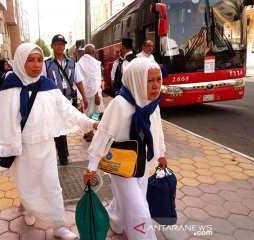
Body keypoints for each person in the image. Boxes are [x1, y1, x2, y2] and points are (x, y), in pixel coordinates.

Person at [0, 43, 98, 240]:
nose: (36, 65)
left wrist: (91, 124)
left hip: (46, 147)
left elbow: (69, 112)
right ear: (20, 61)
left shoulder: (48, 87)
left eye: (39, 60)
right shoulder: (10, 88)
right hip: (23, 149)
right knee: (27, 187)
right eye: (31, 60)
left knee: (52, 185)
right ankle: (29, 209)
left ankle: (58, 225)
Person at [83, 58, 168, 239]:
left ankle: (116, 220)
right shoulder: (120, 104)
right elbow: (103, 135)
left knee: (134, 199)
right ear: (136, 80)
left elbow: (157, 130)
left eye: (158, 79)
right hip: (121, 166)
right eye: (149, 80)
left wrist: (161, 154)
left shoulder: (152, 104)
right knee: (139, 208)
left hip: (141, 164)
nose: (155, 86)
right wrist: (91, 167)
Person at [42, 34, 89, 165]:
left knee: (65, 126)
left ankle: (64, 153)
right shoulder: (46, 64)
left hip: (68, 101)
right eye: (57, 44)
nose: (59, 46)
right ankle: (63, 156)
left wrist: (84, 97)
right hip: (53, 102)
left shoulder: (72, 62)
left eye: (62, 44)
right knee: (58, 127)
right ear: (51, 46)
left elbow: (78, 80)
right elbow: (41, 83)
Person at [75, 44, 104, 142]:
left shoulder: (79, 63)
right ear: (94, 52)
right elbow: (94, 81)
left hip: (84, 94)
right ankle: (91, 133)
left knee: (86, 113)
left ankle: (88, 132)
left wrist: (82, 96)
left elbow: (78, 80)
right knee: (94, 113)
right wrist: (96, 95)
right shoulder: (95, 63)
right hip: (94, 94)